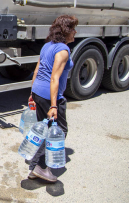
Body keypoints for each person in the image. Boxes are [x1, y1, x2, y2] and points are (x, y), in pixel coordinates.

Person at [27, 15, 78, 182]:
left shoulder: (47, 46)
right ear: (66, 31)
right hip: (50, 96)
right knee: (59, 131)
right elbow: (54, 78)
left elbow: (36, 70)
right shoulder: (63, 50)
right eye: (73, 29)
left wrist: (32, 93)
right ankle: (39, 167)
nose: (75, 32)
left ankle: (34, 165)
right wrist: (54, 105)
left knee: (43, 129)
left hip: (38, 92)